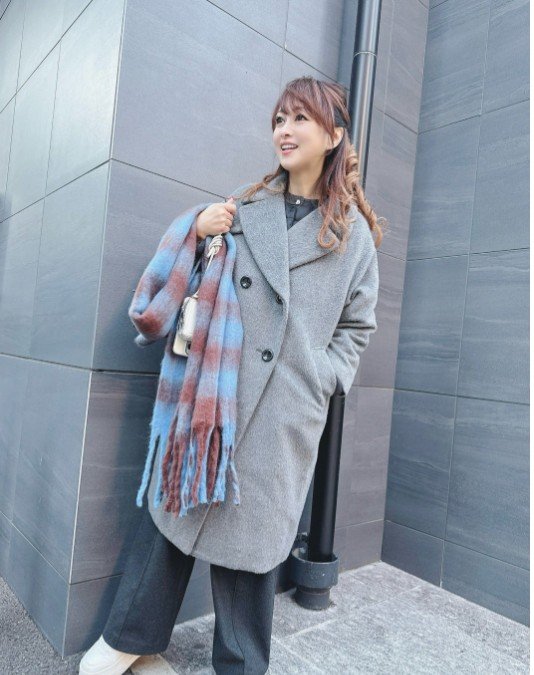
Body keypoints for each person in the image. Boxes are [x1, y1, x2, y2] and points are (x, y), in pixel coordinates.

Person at [79, 75, 383, 675]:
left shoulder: (353, 241)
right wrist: (196, 229)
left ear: (333, 136)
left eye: (299, 119)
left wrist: (322, 376)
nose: (285, 131)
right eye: (279, 120)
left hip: (285, 408)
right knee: (174, 513)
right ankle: (127, 642)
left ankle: (240, 666)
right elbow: (197, 274)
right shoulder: (246, 206)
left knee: (255, 547)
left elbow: (357, 326)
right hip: (213, 393)